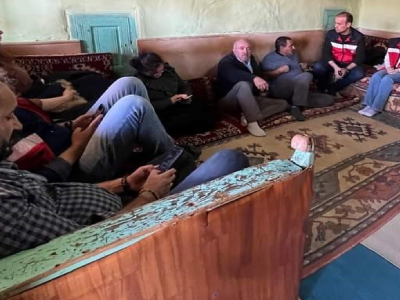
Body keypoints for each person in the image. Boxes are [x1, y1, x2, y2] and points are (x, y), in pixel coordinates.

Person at [0, 80, 249, 259]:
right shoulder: (6, 206)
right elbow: (90, 245)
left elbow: (51, 189)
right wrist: (149, 195)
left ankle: (178, 166)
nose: (17, 124)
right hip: (128, 224)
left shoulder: (4, 168)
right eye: (9, 117)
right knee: (230, 160)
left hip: (117, 197)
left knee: (177, 155)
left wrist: (124, 183)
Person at [13, 77, 188, 183]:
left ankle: (164, 148)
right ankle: (175, 162)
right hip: (73, 165)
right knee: (134, 105)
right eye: (8, 117)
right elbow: (44, 180)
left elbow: (39, 128)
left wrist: (70, 125)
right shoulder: (7, 142)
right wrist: (76, 146)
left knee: (130, 83)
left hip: (70, 138)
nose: (15, 122)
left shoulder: (11, 108)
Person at [130, 52, 215, 137]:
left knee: (204, 108)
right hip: (160, 112)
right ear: (146, 71)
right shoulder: (137, 82)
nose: (160, 74)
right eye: (156, 73)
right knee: (176, 121)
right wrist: (170, 101)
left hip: (178, 103)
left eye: (161, 71)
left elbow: (183, 85)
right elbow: (145, 106)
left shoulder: (168, 71)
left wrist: (186, 95)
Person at [216, 39, 289, 137]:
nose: (245, 51)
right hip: (228, 100)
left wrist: (262, 87)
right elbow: (235, 75)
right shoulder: (225, 62)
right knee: (243, 85)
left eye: (248, 48)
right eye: (241, 48)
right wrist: (254, 78)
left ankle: (248, 117)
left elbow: (258, 75)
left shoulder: (251, 59)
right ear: (234, 50)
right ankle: (252, 122)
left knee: (283, 104)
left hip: (249, 99)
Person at [261, 37, 334, 121]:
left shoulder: (294, 54)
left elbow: (295, 70)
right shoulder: (269, 59)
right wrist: (279, 71)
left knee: (329, 99)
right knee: (307, 75)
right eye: (290, 46)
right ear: (282, 47)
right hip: (281, 89)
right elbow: (264, 76)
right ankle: (296, 105)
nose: (294, 47)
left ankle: (291, 104)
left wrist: (301, 67)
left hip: (298, 91)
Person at [313, 12, 365, 95]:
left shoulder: (359, 37)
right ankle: (322, 87)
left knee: (359, 73)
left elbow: (360, 58)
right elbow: (326, 53)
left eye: (339, 24)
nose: (335, 26)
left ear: (348, 24)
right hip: (334, 62)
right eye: (335, 23)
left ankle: (334, 87)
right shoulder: (330, 34)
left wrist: (346, 69)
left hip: (349, 64)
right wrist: (336, 67)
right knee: (318, 66)